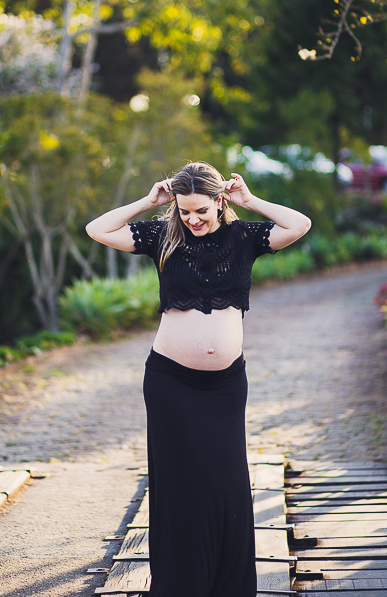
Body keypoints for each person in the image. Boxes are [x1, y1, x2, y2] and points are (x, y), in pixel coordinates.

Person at [86, 162, 311, 597]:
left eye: (201, 211)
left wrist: (251, 201)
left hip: (225, 387)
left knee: (226, 483)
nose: (192, 219)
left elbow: (298, 224)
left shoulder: (244, 237)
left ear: (219, 201)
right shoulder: (162, 237)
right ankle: (179, 585)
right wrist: (149, 202)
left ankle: (228, 586)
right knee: (178, 484)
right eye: (185, 211)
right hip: (170, 383)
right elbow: (98, 228)